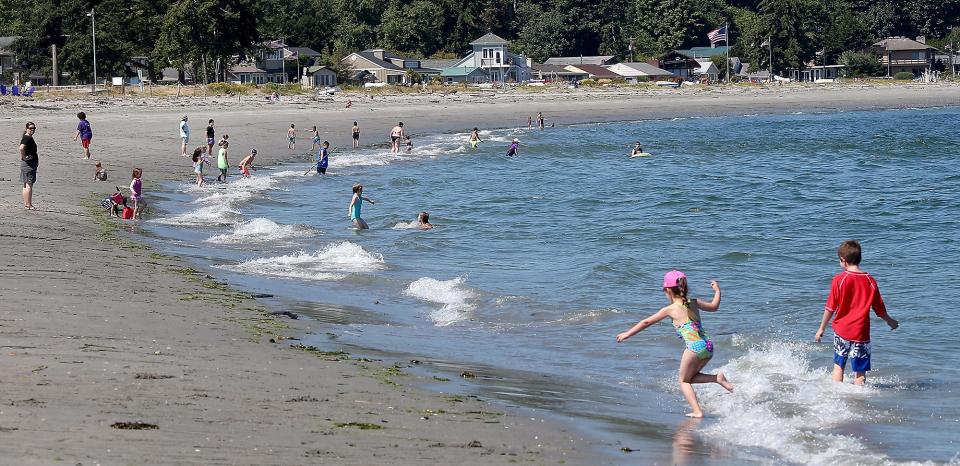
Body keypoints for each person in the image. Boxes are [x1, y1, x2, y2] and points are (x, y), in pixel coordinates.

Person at [616, 271, 733, 418]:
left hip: (694, 348)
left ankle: (697, 411)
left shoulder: (669, 309)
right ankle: (717, 378)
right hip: (708, 345)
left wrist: (627, 334)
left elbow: (646, 322)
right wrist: (717, 291)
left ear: (668, 290)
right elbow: (714, 307)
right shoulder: (694, 302)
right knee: (690, 377)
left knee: (683, 381)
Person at [814, 240, 899, 385]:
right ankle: (859, 399)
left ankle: (837, 396)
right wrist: (890, 321)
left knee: (839, 365)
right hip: (861, 333)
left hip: (842, 330)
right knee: (860, 370)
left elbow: (830, 307)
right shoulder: (870, 280)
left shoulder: (839, 280)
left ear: (843, 261)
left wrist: (821, 328)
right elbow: (879, 309)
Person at [19, 122, 38, 210]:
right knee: (29, 184)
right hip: (28, 164)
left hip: (27, 164)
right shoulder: (27, 138)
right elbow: (21, 148)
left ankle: (26, 203)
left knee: (25, 184)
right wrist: (24, 157)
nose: (32, 130)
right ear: (26, 128)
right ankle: (28, 204)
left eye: (34, 128)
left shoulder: (27, 137)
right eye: (30, 128)